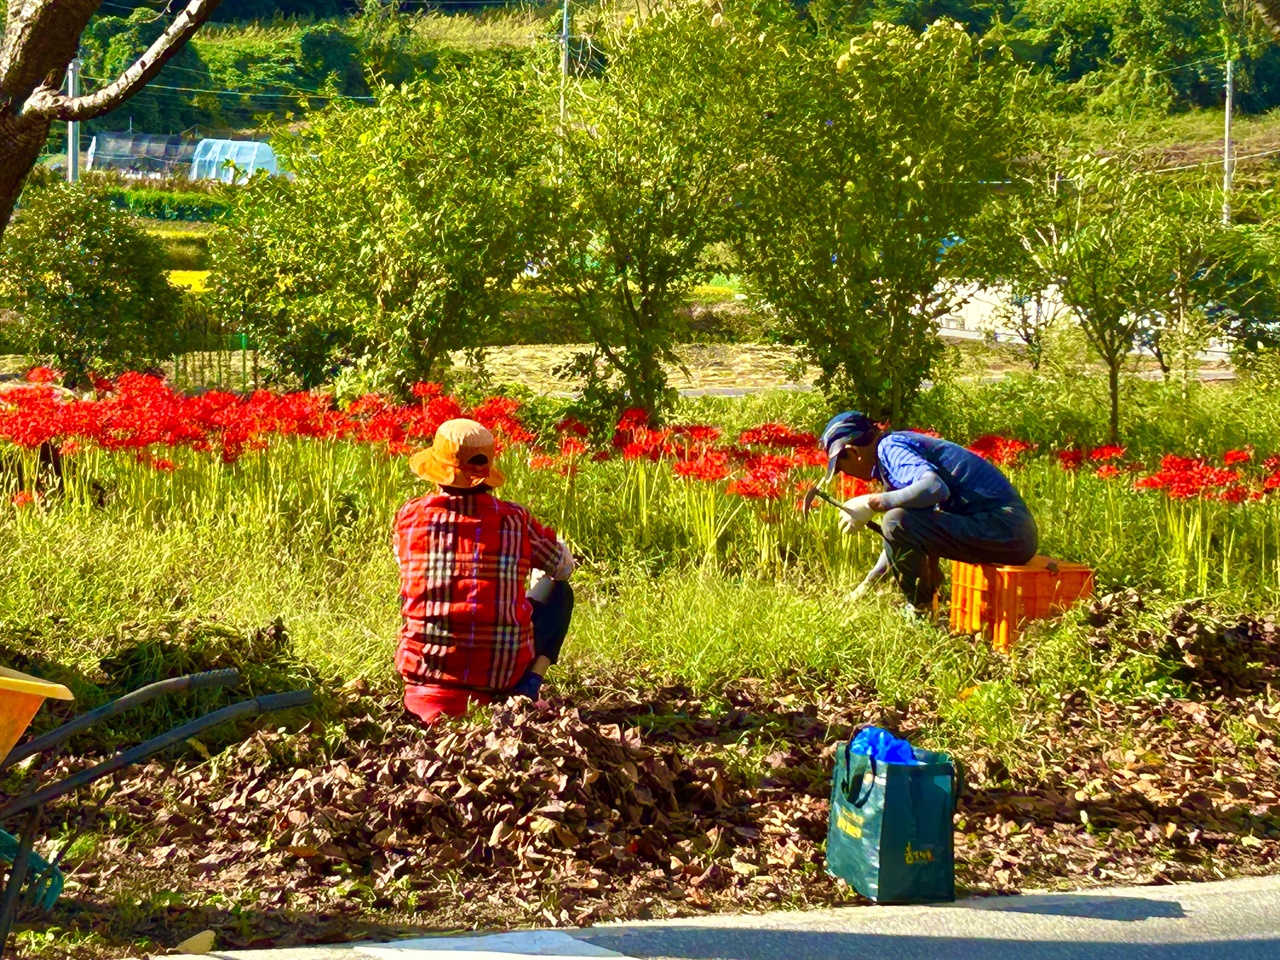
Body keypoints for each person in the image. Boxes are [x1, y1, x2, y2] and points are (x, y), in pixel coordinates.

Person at [394, 418, 575, 725]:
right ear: (487, 472)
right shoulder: (515, 519)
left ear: (438, 470)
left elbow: (408, 568)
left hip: (425, 670)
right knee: (559, 593)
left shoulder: (411, 516)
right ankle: (527, 686)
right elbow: (562, 568)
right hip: (500, 674)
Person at [820, 411, 1038, 613]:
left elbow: (934, 488)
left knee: (896, 518)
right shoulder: (892, 451)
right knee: (900, 519)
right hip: (1009, 531)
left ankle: (920, 611)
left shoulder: (890, 447)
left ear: (853, 452)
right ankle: (932, 601)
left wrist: (871, 502)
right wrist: (866, 586)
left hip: (1004, 527)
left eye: (840, 467)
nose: (844, 474)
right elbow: (902, 533)